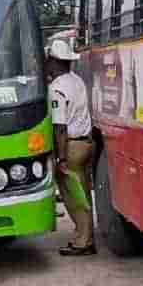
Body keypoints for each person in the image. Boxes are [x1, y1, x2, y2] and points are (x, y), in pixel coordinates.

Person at [46, 36, 96, 256]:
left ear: (54, 62)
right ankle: (87, 238)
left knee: (73, 196)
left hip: (71, 148)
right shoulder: (76, 80)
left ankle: (82, 242)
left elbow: (59, 127)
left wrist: (61, 158)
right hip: (86, 143)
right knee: (83, 192)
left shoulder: (57, 88)